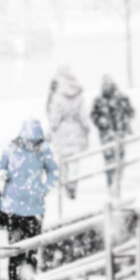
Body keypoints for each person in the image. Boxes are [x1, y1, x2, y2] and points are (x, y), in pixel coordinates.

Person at [0, 119, 59, 280]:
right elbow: (0, 168)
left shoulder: (44, 150)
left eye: (34, 140)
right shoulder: (11, 149)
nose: (31, 143)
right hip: (13, 208)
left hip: (34, 208)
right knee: (15, 250)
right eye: (28, 139)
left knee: (31, 250)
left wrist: (45, 189)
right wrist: (3, 174)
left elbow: (54, 171)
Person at [46, 66, 90, 198]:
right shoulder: (79, 95)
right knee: (75, 160)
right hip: (76, 129)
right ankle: (73, 183)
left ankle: (65, 182)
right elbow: (83, 115)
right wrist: (86, 127)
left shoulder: (58, 96)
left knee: (63, 159)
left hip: (62, 131)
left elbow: (55, 118)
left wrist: (51, 129)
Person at [90, 75, 135, 187]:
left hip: (119, 132)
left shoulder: (121, 97)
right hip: (106, 134)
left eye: (108, 84)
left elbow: (131, 112)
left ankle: (118, 180)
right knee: (109, 159)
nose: (106, 86)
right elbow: (93, 115)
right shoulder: (98, 100)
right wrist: (100, 121)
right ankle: (111, 182)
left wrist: (124, 121)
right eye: (104, 84)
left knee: (120, 157)